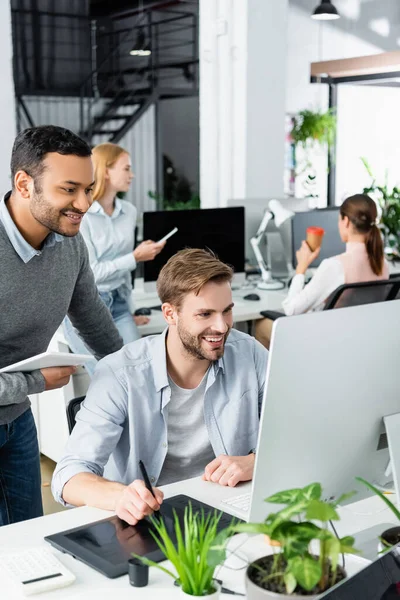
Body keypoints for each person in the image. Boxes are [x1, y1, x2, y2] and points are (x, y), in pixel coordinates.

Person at [52, 248, 268, 525]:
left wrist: (255, 461)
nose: (222, 326)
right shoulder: (120, 373)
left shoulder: (248, 352)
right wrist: (120, 496)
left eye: (226, 311)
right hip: (148, 519)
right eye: (205, 314)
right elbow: (68, 476)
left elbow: (294, 432)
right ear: (170, 313)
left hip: (229, 504)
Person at [0, 125, 124, 526]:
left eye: (88, 189)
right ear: (24, 184)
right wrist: (38, 382)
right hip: (20, 400)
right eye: (68, 189)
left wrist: (137, 375)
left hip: (15, 421)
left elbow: (94, 321)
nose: (83, 203)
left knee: (30, 535)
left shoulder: (69, 243)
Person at [62, 142, 165, 375]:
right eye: (126, 168)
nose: (132, 174)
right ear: (106, 171)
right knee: (109, 377)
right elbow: (91, 273)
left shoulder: (128, 211)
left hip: (118, 302)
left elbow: (124, 272)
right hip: (87, 304)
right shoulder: (82, 214)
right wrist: (135, 257)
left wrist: (132, 309)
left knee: (140, 371)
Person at [255, 193, 389, 349]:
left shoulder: (335, 266)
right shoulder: (383, 264)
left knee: (261, 325)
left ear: (345, 221)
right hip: (359, 341)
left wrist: (301, 267)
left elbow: (291, 310)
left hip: (324, 341)